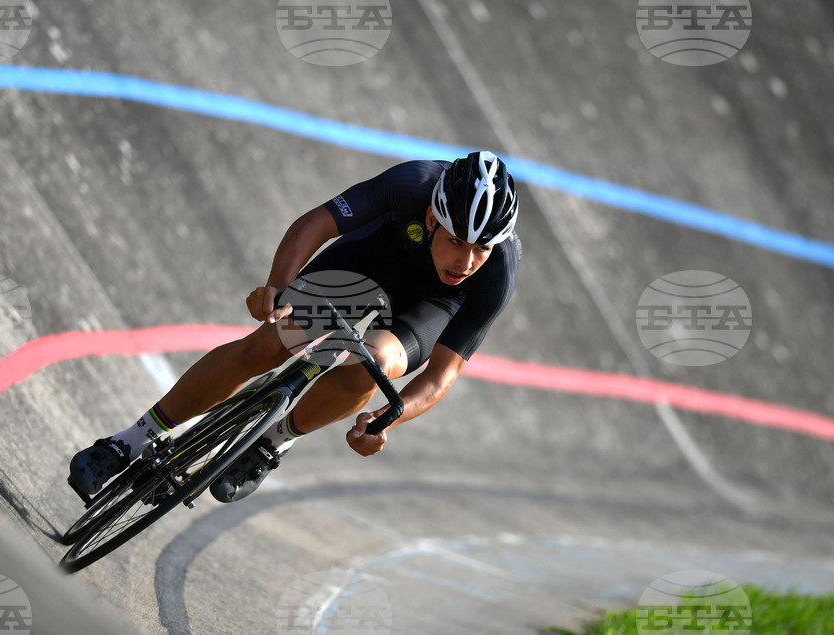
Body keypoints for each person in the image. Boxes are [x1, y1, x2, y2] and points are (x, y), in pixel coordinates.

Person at [68, 150, 522, 503]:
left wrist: (387, 417)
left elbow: (442, 374)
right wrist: (276, 288)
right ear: (431, 219)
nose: (466, 262)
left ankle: (271, 443)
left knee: (377, 364)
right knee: (265, 348)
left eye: (481, 249)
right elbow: (317, 224)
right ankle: (129, 442)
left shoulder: (498, 270)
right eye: (456, 241)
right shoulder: (411, 184)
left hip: (428, 306)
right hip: (368, 265)